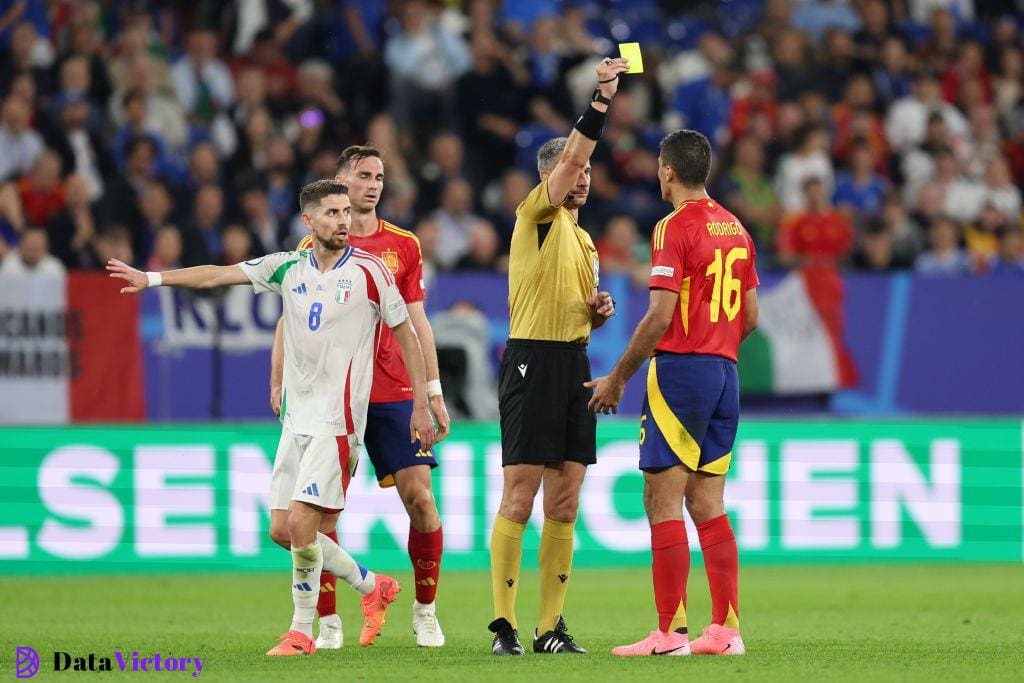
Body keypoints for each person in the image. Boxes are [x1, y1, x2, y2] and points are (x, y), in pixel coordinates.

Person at [108, 180, 437, 656]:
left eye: (346, 212)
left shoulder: (370, 273)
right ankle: (372, 587)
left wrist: (423, 402)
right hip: (297, 422)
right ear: (309, 221)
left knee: (304, 527)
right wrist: (154, 279)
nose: (343, 221)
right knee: (281, 531)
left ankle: (301, 632)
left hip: (338, 423)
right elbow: (216, 276)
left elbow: (406, 333)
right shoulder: (286, 267)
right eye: (332, 213)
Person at [586, 130, 759, 657]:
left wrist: (617, 377)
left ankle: (670, 633)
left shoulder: (672, 227)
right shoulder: (738, 229)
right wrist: (718, 342)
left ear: (667, 170)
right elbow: (751, 317)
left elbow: (660, 315)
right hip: (726, 373)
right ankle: (725, 631)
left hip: (682, 372)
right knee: (708, 502)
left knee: (661, 499)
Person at [279, 145, 452, 649]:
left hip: (396, 392)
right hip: (334, 396)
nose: (374, 184)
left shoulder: (404, 245)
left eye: (379, 176)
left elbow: (416, 321)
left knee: (421, 500)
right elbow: (289, 318)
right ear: (339, 182)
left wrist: (433, 391)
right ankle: (329, 621)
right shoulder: (309, 244)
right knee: (322, 516)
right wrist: (279, 380)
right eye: (363, 175)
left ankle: (425, 610)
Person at [488, 56, 627, 656]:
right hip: (530, 362)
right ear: (551, 177)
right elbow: (573, 155)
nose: (584, 177)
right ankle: (503, 625)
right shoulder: (535, 216)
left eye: (589, 172)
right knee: (520, 495)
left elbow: (576, 308)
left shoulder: (586, 239)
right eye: (576, 170)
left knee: (565, 499)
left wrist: (595, 314)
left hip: (572, 364)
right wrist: (600, 100)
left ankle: (549, 628)